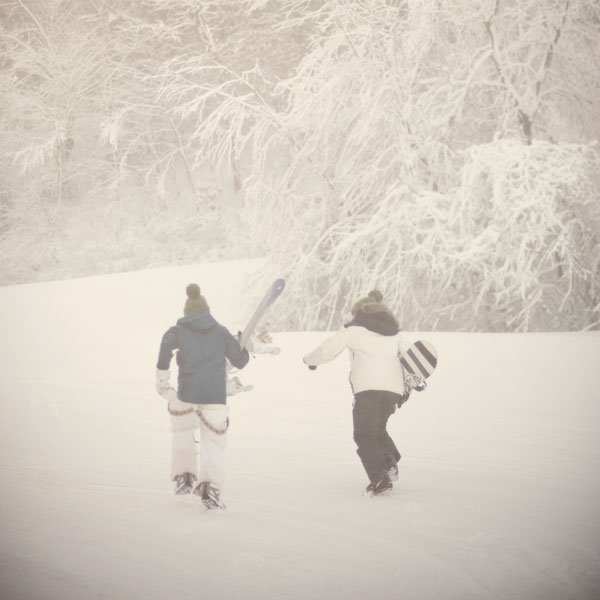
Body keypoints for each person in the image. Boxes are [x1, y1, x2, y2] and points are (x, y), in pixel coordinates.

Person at [303, 290, 410, 496]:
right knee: (378, 429)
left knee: (363, 435)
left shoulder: (353, 330)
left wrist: (310, 360)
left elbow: (328, 349)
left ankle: (380, 479)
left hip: (368, 390)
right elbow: (412, 356)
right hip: (392, 391)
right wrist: (412, 384)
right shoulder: (395, 332)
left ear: (359, 313)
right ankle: (389, 461)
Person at [155, 283, 249, 509]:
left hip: (186, 394)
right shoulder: (220, 332)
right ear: (207, 311)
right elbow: (240, 362)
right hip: (215, 396)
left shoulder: (178, 331)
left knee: (183, 432)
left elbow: (165, 346)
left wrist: (162, 376)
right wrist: (244, 346)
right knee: (214, 442)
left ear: (187, 312)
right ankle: (210, 488)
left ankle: (184, 477)